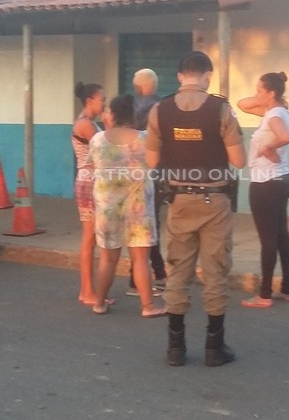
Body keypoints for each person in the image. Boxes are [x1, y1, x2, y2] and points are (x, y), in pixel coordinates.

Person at [145, 51, 246, 367]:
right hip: (215, 201)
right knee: (216, 271)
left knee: (178, 272)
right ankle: (214, 348)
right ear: (207, 76)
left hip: (179, 200)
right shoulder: (221, 109)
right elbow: (239, 161)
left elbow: (151, 160)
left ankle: (175, 348)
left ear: (179, 76)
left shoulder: (160, 110)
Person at [88, 94, 168, 318]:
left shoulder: (97, 140)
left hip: (107, 208)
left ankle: (99, 303)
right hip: (138, 208)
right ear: (133, 114)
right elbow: (155, 163)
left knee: (107, 259)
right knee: (140, 259)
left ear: (112, 114)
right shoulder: (145, 139)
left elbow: (92, 166)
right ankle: (148, 306)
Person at [237, 72, 289, 308]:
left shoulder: (273, 116)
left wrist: (268, 147)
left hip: (265, 183)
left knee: (268, 240)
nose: (256, 94)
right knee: (281, 236)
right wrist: (262, 97)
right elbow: (242, 104)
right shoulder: (279, 112)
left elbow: (285, 137)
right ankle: (287, 289)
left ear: (271, 93)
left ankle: (265, 294)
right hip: (280, 179)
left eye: (260, 90)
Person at [124, 68, 168, 295]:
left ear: (138, 86)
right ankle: (147, 276)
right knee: (149, 225)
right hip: (157, 172)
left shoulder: (132, 109)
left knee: (142, 224)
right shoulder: (162, 107)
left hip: (135, 172)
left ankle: (153, 274)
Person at [72, 82, 107, 307]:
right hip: (88, 183)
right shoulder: (85, 125)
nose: (104, 103)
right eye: (102, 99)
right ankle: (87, 290)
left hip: (94, 182)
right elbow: (105, 149)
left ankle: (91, 290)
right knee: (89, 238)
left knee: (94, 238)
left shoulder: (90, 122)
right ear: (90, 101)